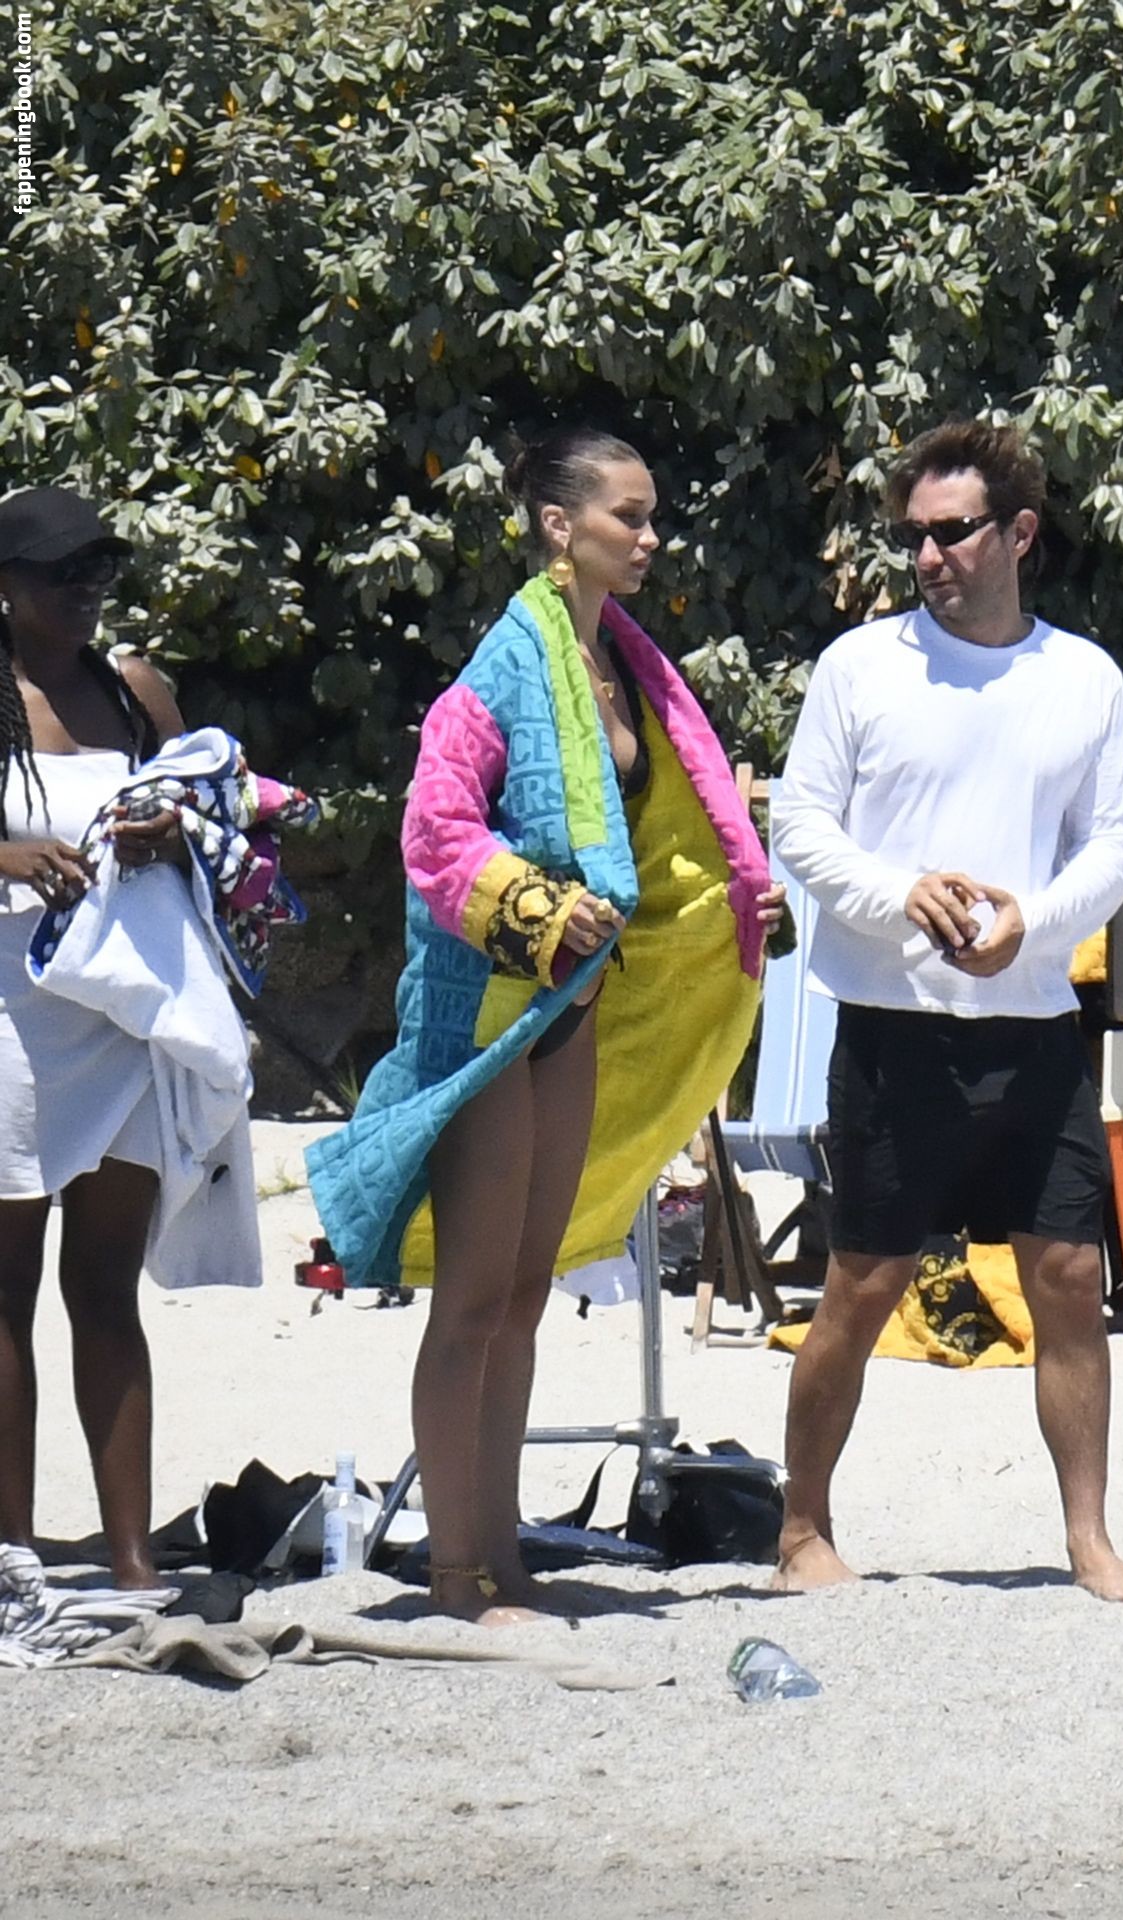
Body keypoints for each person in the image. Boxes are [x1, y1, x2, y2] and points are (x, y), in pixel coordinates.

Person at [306, 426, 785, 1625]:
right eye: (630, 514)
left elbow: (660, 834)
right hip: (490, 1016)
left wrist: (735, 892)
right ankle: (456, 1571)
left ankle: (501, 1557)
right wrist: (533, 910)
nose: (651, 536)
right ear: (558, 525)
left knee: (524, 1295)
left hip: (570, 1010)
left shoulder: (625, 665)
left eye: (653, 514)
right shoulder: (503, 669)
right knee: (473, 1302)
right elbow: (435, 831)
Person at [771, 419, 1123, 1608]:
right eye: (914, 535)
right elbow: (800, 824)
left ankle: (1089, 1541)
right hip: (892, 1025)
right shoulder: (860, 666)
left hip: (1035, 1022)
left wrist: (1027, 926)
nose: (927, 556)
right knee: (862, 1285)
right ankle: (800, 1531)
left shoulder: (1081, 677)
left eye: (951, 532)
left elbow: (1112, 849)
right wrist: (903, 893)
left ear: (1019, 533)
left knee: (1069, 1277)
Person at [0, 486, 188, 1590]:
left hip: (121, 1016)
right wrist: (6, 857)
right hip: (11, 1020)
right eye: (63, 572)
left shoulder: (135, 689)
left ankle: (132, 1562)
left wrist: (174, 833)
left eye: (100, 570)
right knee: (5, 1293)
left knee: (108, 1289)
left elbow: (218, 816)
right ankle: (13, 1560)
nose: (87, 590)